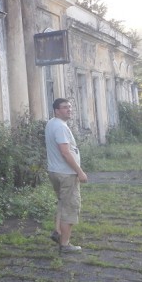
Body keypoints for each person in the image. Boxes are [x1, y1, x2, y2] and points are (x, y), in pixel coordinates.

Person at [45, 98, 88, 253]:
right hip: (66, 173)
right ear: (57, 110)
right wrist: (79, 171)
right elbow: (65, 152)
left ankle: (57, 232)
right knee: (70, 207)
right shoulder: (60, 127)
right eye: (64, 107)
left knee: (63, 203)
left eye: (70, 107)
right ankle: (65, 245)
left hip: (55, 171)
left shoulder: (52, 123)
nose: (69, 110)